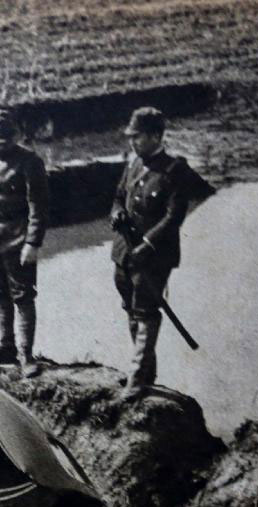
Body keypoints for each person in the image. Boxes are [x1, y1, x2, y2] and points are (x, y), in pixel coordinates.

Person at [110, 106, 192, 396]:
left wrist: (149, 244)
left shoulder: (175, 170)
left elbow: (174, 216)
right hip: (125, 252)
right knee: (131, 309)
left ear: (157, 136)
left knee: (146, 311)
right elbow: (119, 197)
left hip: (154, 256)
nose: (134, 142)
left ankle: (137, 377)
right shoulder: (134, 164)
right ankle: (145, 371)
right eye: (132, 137)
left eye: (140, 137)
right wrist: (117, 214)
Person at [0, 107, 50, 378]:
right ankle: (6, 347)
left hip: (18, 237)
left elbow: (39, 207)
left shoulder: (30, 162)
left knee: (23, 296)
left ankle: (26, 355)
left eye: (3, 140)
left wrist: (32, 243)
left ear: (15, 137)